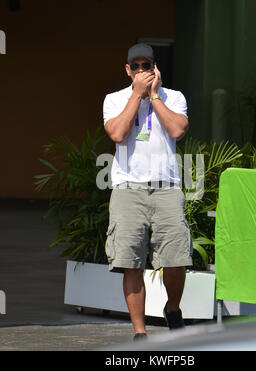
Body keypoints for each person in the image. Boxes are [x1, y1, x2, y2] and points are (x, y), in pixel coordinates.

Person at [102, 43, 193, 341]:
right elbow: (117, 133)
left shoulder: (173, 97)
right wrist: (136, 96)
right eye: (136, 66)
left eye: (147, 66)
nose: (142, 71)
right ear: (128, 70)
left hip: (166, 188)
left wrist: (153, 96)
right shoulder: (114, 100)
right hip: (128, 189)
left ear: (156, 68)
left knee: (176, 258)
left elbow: (178, 130)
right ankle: (140, 331)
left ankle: (174, 308)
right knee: (131, 261)